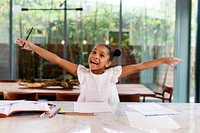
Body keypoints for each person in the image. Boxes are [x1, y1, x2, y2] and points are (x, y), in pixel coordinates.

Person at [16, 38, 182, 103]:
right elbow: (56, 59)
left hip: (109, 114)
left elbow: (139, 66)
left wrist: (163, 60)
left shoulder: (112, 74)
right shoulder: (82, 72)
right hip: (85, 115)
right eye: (94, 52)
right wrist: (32, 47)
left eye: (101, 55)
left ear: (108, 63)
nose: (95, 56)